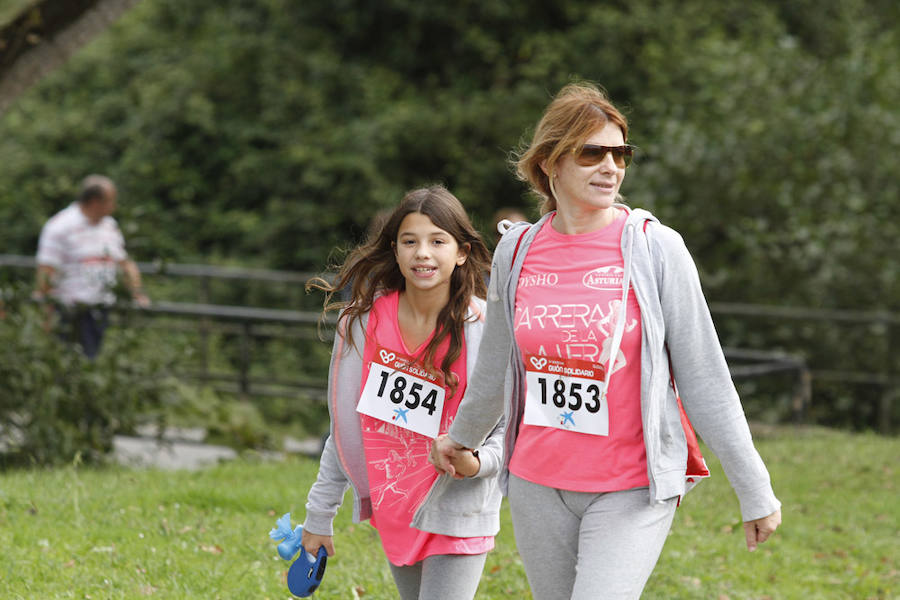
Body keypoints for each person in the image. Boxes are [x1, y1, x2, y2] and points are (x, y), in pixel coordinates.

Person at [430, 82, 782, 599]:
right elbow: (495, 368)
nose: (611, 167)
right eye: (592, 152)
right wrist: (461, 439)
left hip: (631, 488)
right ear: (550, 162)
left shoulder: (655, 248)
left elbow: (704, 375)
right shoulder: (517, 251)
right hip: (536, 482)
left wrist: (755, 489)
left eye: (621, 154)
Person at [301, 185, 502, 600]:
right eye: (409, 241)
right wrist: (319, 514)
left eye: (437, 241)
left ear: (462, 252)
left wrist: (478, 462)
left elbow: (508, 425)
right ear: (394, 250)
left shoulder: (485, 328)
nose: (422, 253)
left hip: (458, 507)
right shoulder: (360, 324)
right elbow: (345, 425)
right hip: (395, 509)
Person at [34, 174, 150, 358]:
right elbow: (46, 271)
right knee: (69, 360)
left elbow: (124, 263)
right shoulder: (60, 227)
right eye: (111, 200)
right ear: (96, 201)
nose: (114, 206)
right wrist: (46, 313)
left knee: (91, 360)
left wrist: (137, 292)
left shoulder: (109, 226)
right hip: (70, 310)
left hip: (100, 309)